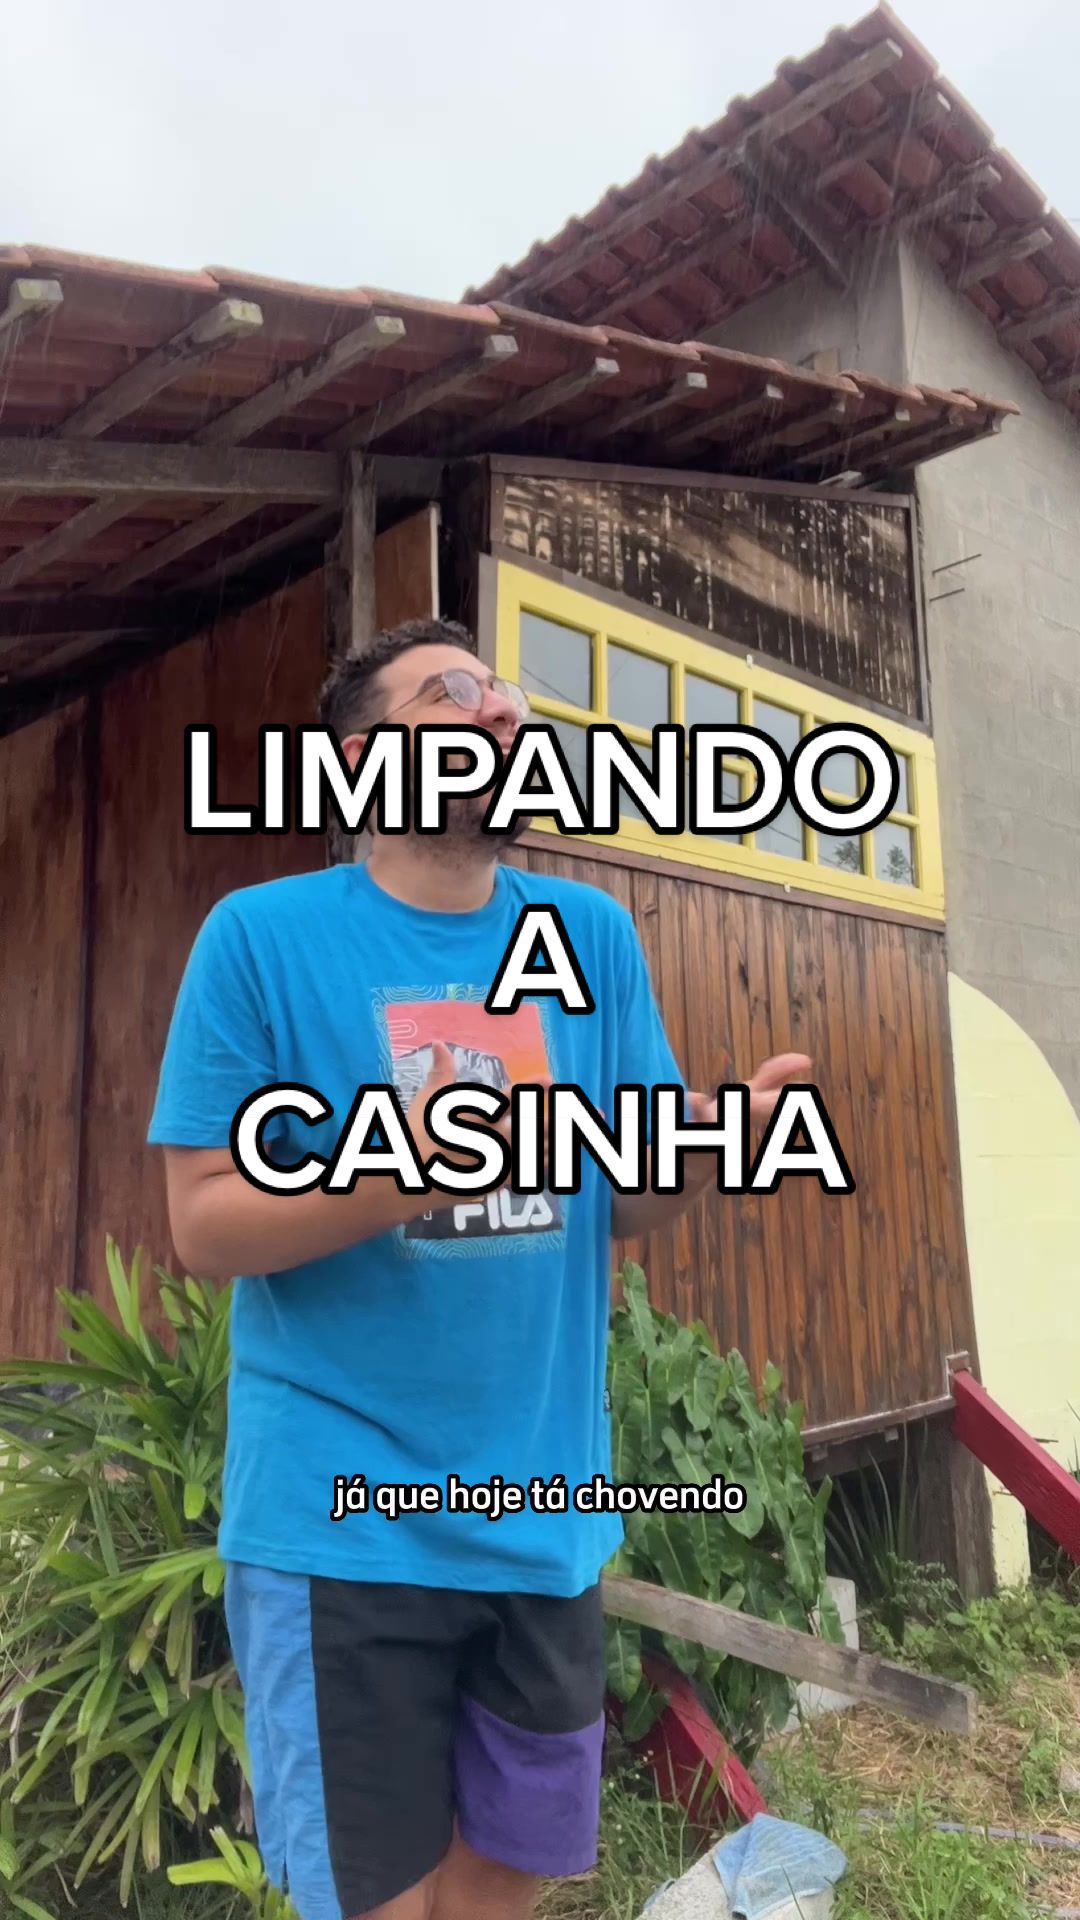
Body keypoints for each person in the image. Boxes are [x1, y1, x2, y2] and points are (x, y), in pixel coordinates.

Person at [149, 617, 808, 1920]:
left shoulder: (589, 937)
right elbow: (205, 1219)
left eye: (505, 691)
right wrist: (416, 1164)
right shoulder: (261, 938)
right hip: (341, 1527)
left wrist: (707, 1148)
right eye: (454, 694)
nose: (504, 710)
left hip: (541, 1522)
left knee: (502, 1889)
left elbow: (628, 1204)